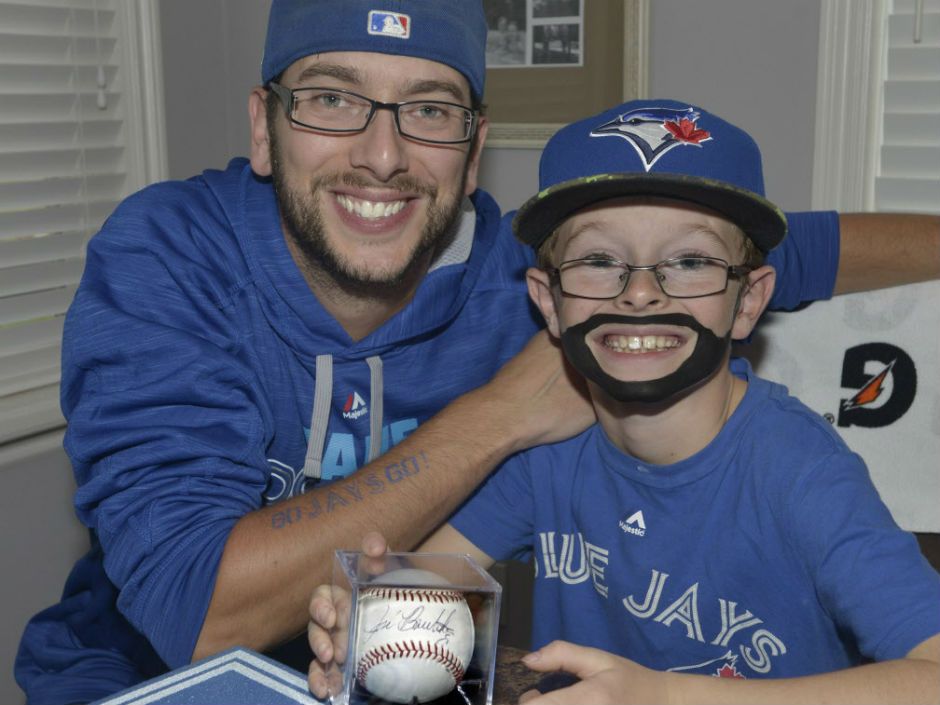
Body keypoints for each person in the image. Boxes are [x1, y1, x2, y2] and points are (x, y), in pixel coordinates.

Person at [13, 0, 939, 702]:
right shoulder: (168, 254)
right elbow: (202, 613)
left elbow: (786, 245)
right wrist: (500, 414)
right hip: (142, 671)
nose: (382, 156)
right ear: (264, 125)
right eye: (332, 99)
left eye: (429, 109)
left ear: (473, 144)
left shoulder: (556, 269)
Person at [308, 99, 940, 703]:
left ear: (747, 301)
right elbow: (438, 577)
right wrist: (370, 615)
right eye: (598, 260)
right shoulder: (548, 452)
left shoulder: (801, 472)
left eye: (690, 260)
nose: (639, 293)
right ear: (548, 301)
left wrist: (668, 696)